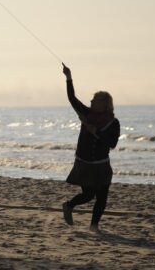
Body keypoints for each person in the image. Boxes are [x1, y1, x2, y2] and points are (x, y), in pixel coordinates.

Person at [61, 63, 120, 233]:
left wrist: (96, 132)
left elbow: (112, 143)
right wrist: (68, 77)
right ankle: (69, 205)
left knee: (102, 196)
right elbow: (72, 98)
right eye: (92, 99)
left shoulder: (113, 122)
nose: (91, 101)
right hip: (84, 163)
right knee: (88, 195)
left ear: (105, 104)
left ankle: (94, 226)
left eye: (95, 100)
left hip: (101, 164)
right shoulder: (86, 114)